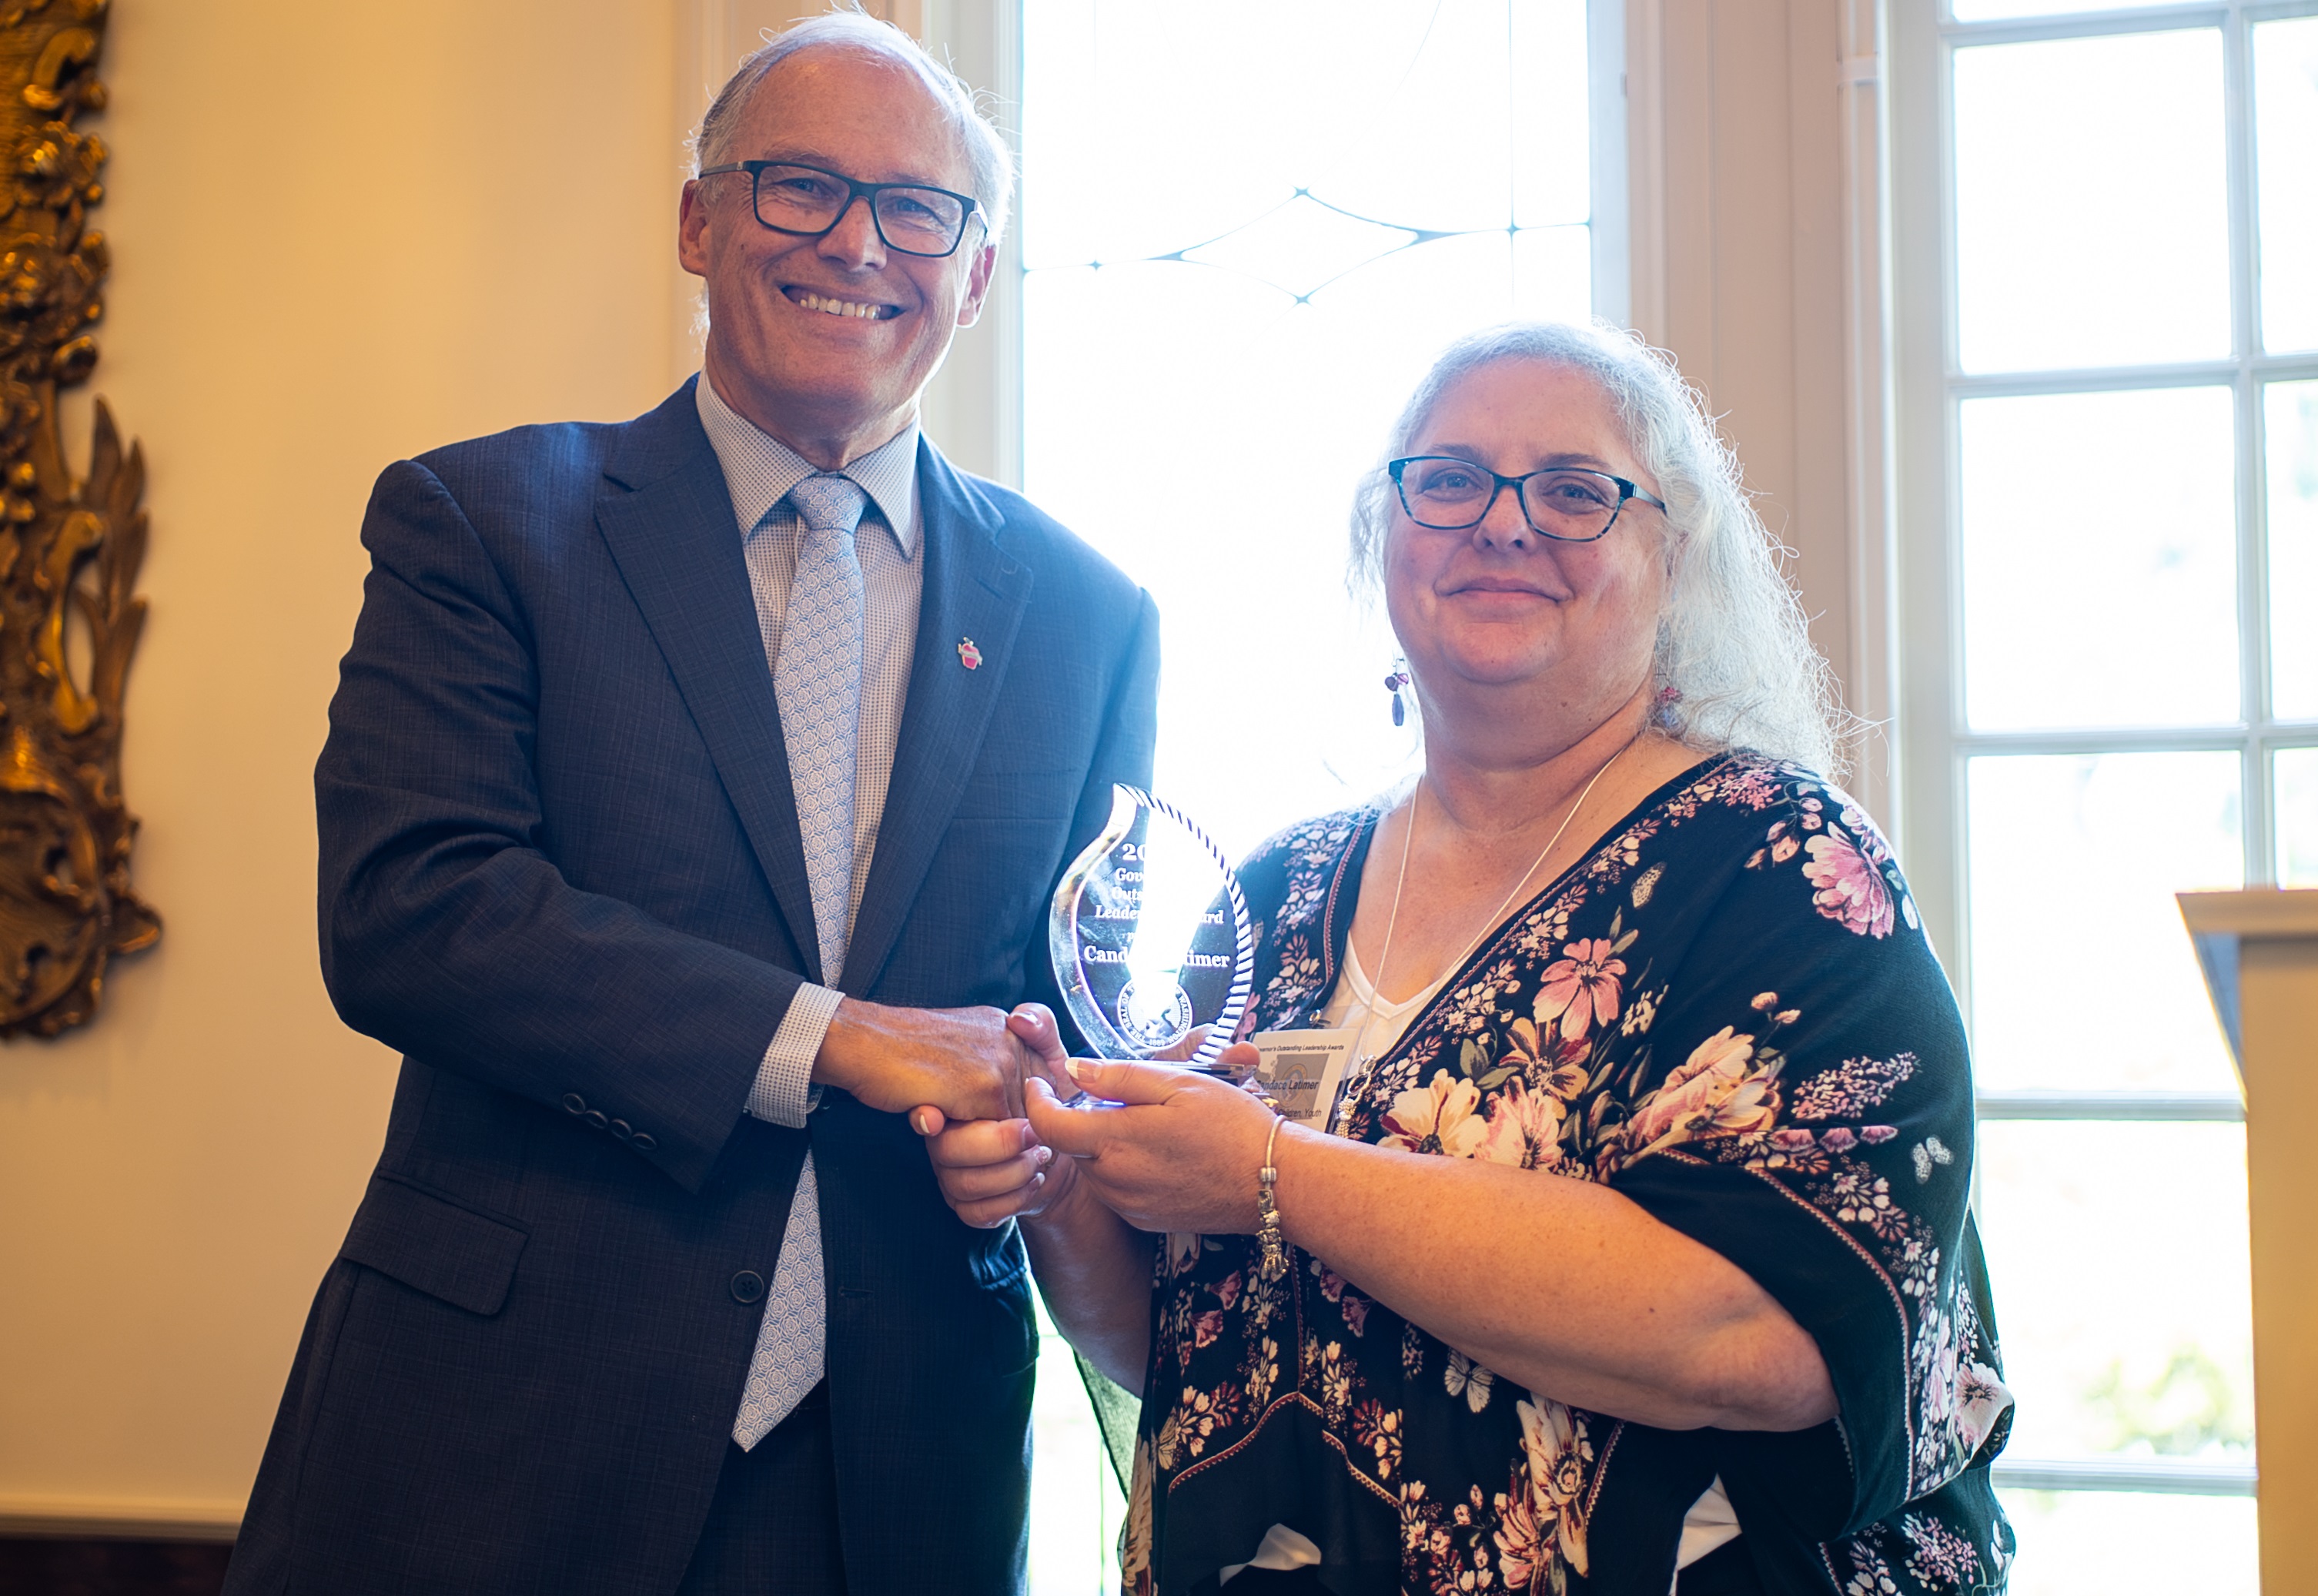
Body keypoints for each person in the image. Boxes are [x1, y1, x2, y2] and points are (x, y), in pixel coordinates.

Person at [222, 15, 1156, 1595]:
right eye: (798, 186)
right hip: (498, 1438)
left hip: (901, 1476)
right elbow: (410, 913)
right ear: (697, 220)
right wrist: (839, 1033)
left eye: (918, 208)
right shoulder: (486, 522)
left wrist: (1039, 1145)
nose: (857, 241)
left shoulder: (1089, 613)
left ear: (976, 273)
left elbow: (1070, 1010)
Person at [924, 322, 2014, 1595]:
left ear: (1672, 560)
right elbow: (1176, 1345)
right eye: (1446, 481)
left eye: (1571, 491)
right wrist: (1064, 1185)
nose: (1501, 524)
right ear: (1381, 538)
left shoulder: (1775, 865)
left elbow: (1763, 1335)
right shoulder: (1281, 891)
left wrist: (1276, 1170)